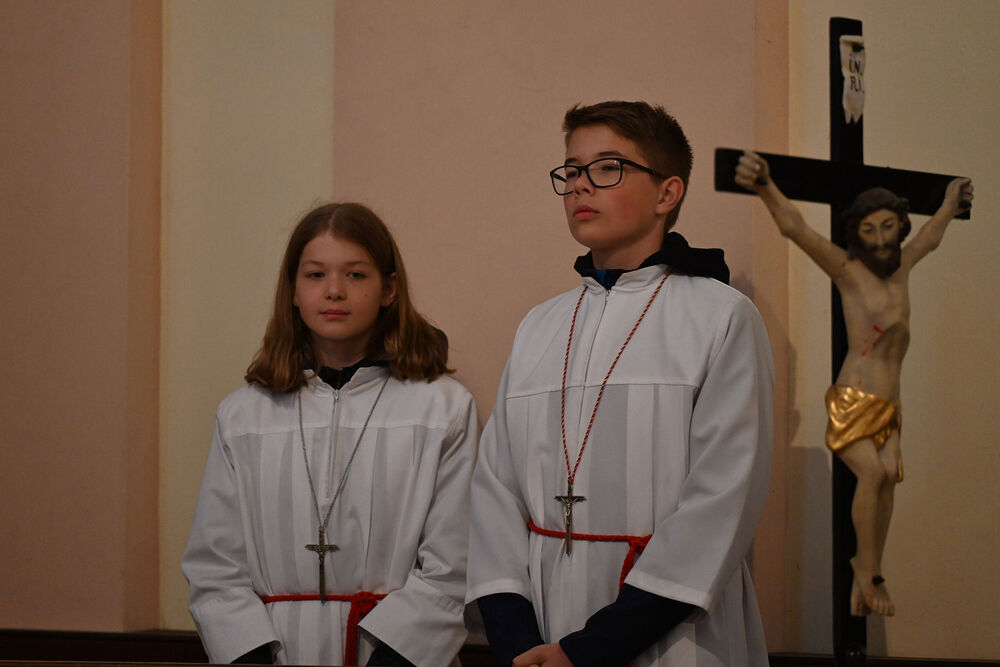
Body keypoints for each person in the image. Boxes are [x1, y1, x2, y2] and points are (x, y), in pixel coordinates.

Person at [467, 101, 774, 667]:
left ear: (667, 193)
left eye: (608, 168)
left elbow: (720, 504)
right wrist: (518, 642)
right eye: (571, 171)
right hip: (543, 629)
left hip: (670, 635)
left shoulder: (720, 317)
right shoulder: (540, 325)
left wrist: (591, 650)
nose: (580, 185)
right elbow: (495, 491)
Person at [182, 202, 477, 666]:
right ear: (293, 291)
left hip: (394, 655)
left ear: (389, 289)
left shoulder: (441, 408)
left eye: (356, 275)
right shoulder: (244, 416)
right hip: (276, 651)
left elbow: (453, 565)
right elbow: (215, 567)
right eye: (315, 275)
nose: (334, 291)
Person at [735, 151, 973, 617]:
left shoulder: (902, 267)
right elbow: (797, 229)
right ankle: (865, 573)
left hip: (891, 403)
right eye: (869, 229)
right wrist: (764, 184)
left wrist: (949, 204)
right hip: (855, 396)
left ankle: (870, 571)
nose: (880, 239)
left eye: (888, 227)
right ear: (855, 233)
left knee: (889, 482)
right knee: (874, 474)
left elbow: (930, 237)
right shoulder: (847, 271)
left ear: (899, 226)